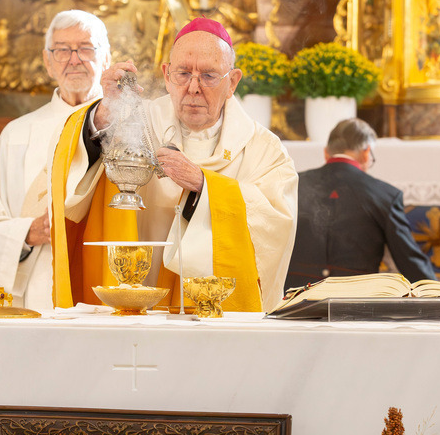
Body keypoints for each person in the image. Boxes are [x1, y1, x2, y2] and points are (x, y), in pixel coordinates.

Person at [50, 17, 298, 313]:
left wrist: (204, 186)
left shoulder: (264, 150)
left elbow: (276, 227)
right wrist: (105, 111)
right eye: (183, 73)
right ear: (167, 75)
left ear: (232, 82)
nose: (193, 87)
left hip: (215, 320)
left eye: (208, 76)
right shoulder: (136, 122)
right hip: (135, 311)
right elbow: (70, 172)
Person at [0, 9, 111, 309]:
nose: (74, 59)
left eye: (85, 48)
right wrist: (26, 233)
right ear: (47, 61)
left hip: (107, 278)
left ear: (106, 58)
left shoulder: (125, 127)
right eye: (62, 50)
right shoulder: (17, 135)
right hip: (40, 289)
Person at [285, 118, 436, 291]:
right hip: (356, 301)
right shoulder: (385, 195)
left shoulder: (292, 185)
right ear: (366, 153)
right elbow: (409, 260)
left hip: (294, 299)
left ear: (326, 152)